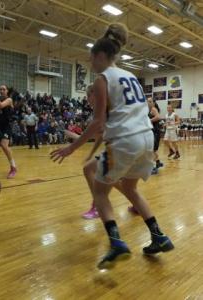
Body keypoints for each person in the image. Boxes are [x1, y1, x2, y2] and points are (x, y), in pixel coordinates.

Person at [51, 23, 174, 269]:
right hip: (147, 140)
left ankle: (117, 243)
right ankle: (159, 236)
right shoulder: (131, 76)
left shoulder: (102, 79)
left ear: (100, 55)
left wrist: (71, 148)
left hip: (125, 141)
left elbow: (98, 122)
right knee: (131, 190)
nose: (90, 63)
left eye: (91, 58)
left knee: (100, 193)